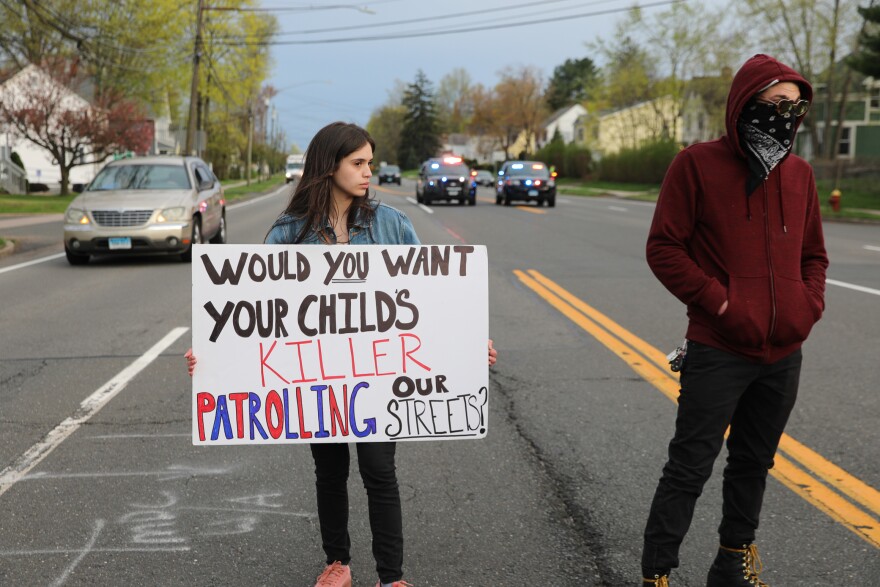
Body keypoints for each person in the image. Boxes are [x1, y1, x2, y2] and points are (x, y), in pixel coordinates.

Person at [185, 121, 498, 587]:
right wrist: (214, 353)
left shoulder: (391, 224)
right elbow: (254, 307)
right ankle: (339, 562)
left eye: (370, 162)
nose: (368, 171)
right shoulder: (289, 233)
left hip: (379, 376)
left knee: (378, 468)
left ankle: (391, 577)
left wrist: (470, 342)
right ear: (330, 166)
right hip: (318, 378)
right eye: (359, 163)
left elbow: (430, 298)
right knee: (330, 470)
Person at [640, 55, 828, 587]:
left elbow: (814, 256)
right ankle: (658, 573)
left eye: (797, 107)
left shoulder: (800, 174)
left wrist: (806, 306)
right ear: (746, 104)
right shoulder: (696, 164)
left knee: (753, 464)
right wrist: (719, 302)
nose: (788, 116)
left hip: (782, 353)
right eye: (777, 105)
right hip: (718, 348)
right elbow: (664, 247)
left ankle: (732, 564)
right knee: (690, 466)